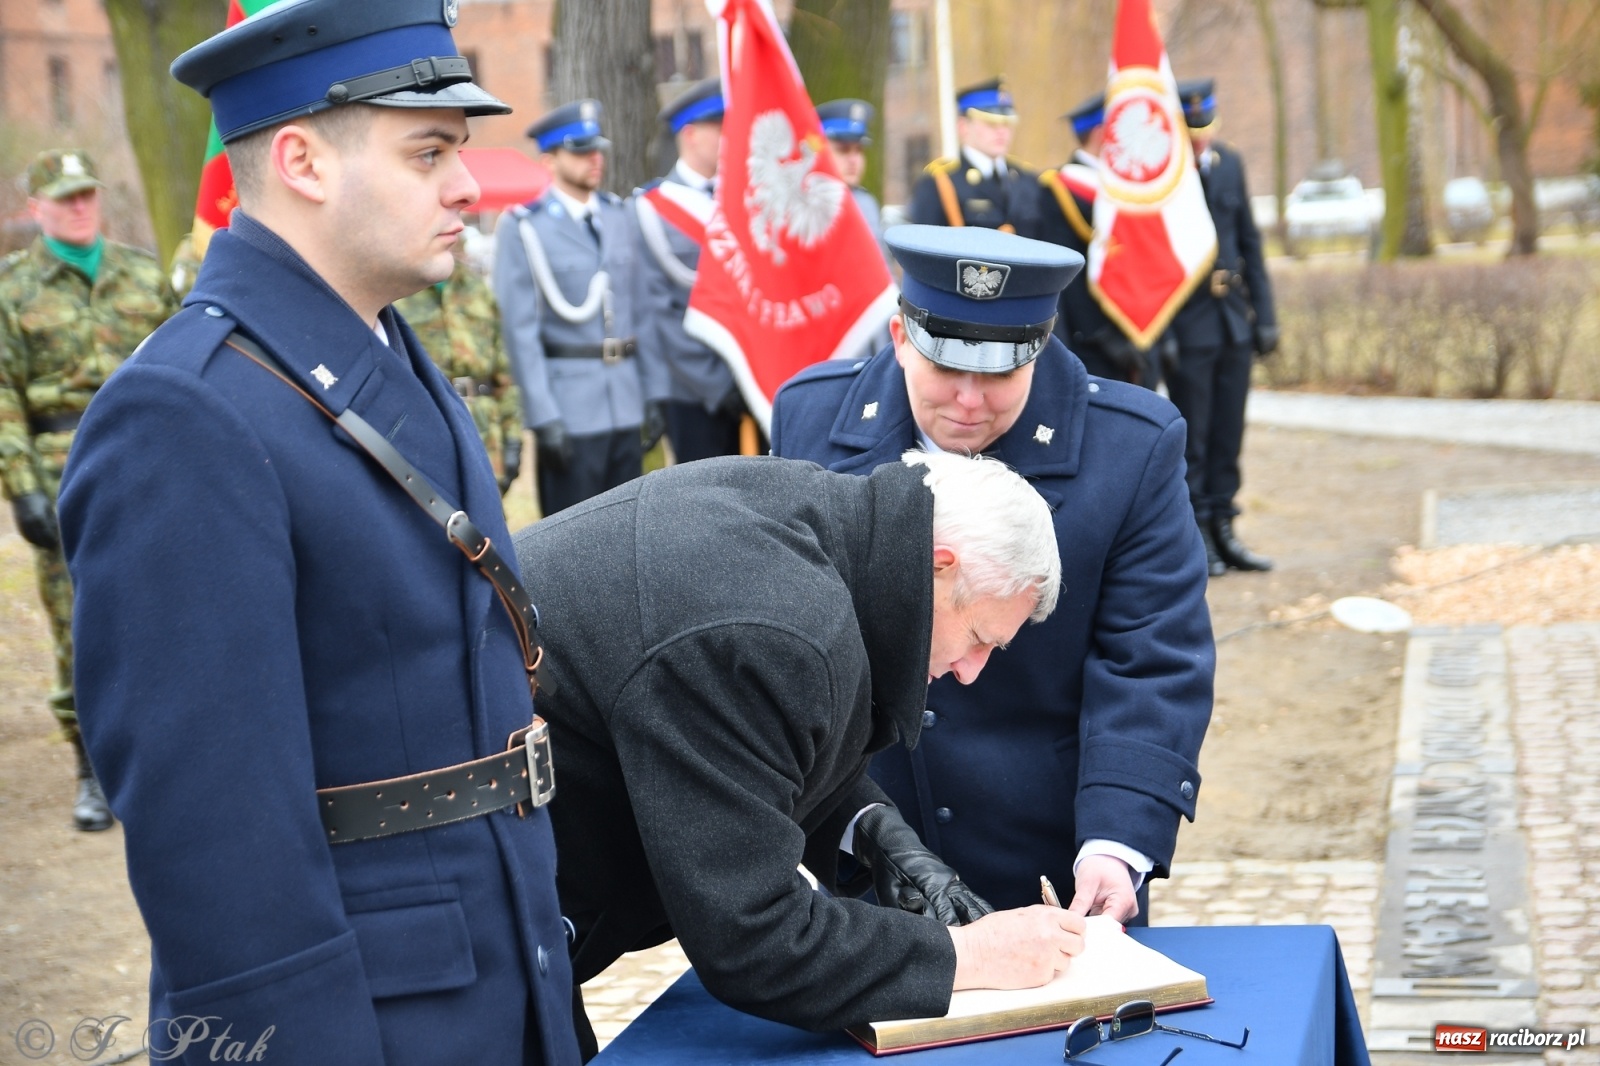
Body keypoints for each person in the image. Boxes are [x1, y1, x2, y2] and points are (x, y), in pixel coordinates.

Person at [57, 3, 580, 1063]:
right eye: (427, 151)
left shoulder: (377, 352)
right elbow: (216, 845)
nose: (468, 186)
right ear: (301, 159)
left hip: (489, 982)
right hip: (363, 1022)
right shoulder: (185, 415)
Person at [512, 450, 1086, 1058]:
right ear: (941, 567)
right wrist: (966, 956)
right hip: (457, 894)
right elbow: (753, 938)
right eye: (978, 638)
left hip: (513, 864)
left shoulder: (821, 522)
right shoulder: (778, 633)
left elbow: (752, 745)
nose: (972, 673)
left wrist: (877, 836)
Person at [770, 225, 1214, 923]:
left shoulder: (1131, 447)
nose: (969, 402)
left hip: (1052, 853)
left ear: (1039, 349)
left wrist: (1116, 840)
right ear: (897, 337)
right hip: (870, 851)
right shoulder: (810, 417)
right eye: (945, 368)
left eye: (1001, 374)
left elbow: (1152, 658)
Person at [0, 148, 177, 832]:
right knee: (81, 626)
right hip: (62, 467)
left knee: (165, 611)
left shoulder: (140, 273)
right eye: (64, 197)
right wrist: (23, 489)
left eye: (87, 195)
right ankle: (92, 771)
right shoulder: (14, 289)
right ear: (36, 207)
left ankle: (163, 754)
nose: (79, 207)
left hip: (148, 463)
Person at [494, 99, 654, 516]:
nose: (594, 159)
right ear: (549, 161)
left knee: (630, 533)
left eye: (597, 149)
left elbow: (641, 311)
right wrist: (543, 417)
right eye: (580, 151)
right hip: (570, 409)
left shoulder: (620, 215)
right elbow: (521, 331)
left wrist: (651, 395)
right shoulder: (524, 227)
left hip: (625, 400)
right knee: (575, 543)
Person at [1167, 78, 1279, 575]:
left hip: (1232, 320)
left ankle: (1226, 526)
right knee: (1197, 434)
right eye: (1192, 129)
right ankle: (1198, 534)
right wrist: (1162, 334)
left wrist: (1266, 316)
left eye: (1206, 127)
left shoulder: (1229, 162)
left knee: (1230, 432)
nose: (1201, 139)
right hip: (1189, 325)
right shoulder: (1166, 177)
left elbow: (1250, 243)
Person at [633, 77, 749, 462]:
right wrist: (719, 385)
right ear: (690, 134)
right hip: (693, 390)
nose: (730, 139)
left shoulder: (746, 201)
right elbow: (658, 311)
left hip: (754, 381)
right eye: (720, 129)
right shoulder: (655, 208)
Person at [1036, 93, 1164, 388]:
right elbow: (1068, 277)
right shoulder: (1058, 190)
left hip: (1141, 335)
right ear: (1101, 133)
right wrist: (1103, 336)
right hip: (1096, 345)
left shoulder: (1130, 185)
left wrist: (1162, 334)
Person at [397, 253, 524, 495]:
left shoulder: (476, 287)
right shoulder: (397, 292)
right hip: (431, 430)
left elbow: (503, 370)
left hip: (486, 433)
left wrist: (513, 437)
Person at [908, 77, 1040, 237]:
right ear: (963, 127)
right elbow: (926, 249)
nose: (1001, 131)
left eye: (1006, 123)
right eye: (991, 123)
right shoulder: (940, 184)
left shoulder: (1027, 179)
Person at [818, 97, 892, 359]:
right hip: (831, 337)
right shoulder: (809, 207)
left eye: (858, 150)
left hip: (873, 333)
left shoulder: (866, 202)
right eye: (843, 149)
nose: (854, 160)